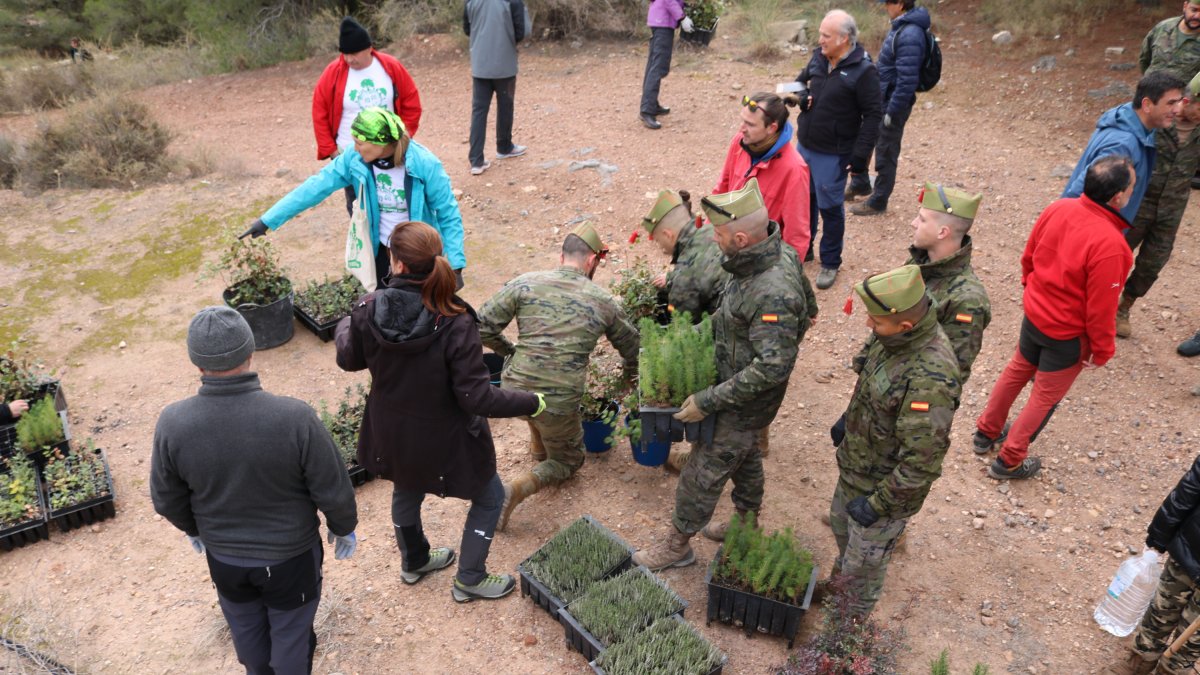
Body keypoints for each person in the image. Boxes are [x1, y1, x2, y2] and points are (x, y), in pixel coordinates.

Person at [334, 221, 543, 602]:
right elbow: (477, 399)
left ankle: (414, 561)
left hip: (393, 433)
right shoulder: (455, 320)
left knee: (406, 485)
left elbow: (349, 359)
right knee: (489, 497)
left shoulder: (368, 309)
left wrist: (345, 325)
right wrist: (532, 401)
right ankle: (470, 578)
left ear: (396, 264)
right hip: (448, 439)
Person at [151, 306, 358, 675]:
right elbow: (333, 488)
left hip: (225, 560)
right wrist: (342, 526)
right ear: (251, 353)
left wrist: (194, 528)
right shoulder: (294, 417)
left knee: (248, 637)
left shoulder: (173, 423)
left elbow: (166, 497)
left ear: (197, 364)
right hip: (290, 559)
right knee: (292, 640)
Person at [632, 179, 809, 570]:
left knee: (701, 471)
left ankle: (676, 545)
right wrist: (685, 341)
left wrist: (708, 399)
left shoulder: (771, 290)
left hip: (744, 398)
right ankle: (745, 521)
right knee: (744, 456)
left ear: (742, 238)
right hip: (741, 389)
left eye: (720, 233)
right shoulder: (766, 258)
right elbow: (737, 315)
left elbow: (773, 365)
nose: (712, 239)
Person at [974, 157, 1136, 480]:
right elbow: (1101, 310)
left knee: (1017, 369)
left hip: (1035, 316)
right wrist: (1102, 351)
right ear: (1117, 197)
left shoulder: (1058, 209)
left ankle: (986, 432)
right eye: (1132, 185)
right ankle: (1010, 460)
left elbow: (1029, 257)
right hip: (1067, 337)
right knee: (1044, 396)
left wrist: (1031, 291)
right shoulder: (1112, 245)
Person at [478, 223, 640, 531]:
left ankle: (539, 445)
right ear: (592, 260)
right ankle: (515, 489)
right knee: (569, 462)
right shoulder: (602, 300)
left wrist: (510, 351)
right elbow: (634, 349)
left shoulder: (525, 283)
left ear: (562, 255)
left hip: (511, 391)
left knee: (535, 405)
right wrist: (629, 382)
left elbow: (481, 326)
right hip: (557, 399)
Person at [832, 265, 959, 618]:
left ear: (906, 325)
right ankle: (839, 585)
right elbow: (871, 385)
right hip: (857, 469)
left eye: (877, 322)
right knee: (844, 536)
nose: (869, 327)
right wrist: (849, 419)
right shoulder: (893, 337)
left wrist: (878, 506)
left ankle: (844, 636)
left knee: (861, 574)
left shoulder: (930, 378)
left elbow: (920, 464)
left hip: (882, 494)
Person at [243, 108, 467, 290]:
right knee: (385, 303)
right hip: (381, 249)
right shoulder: (354, 159)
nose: (354, 147)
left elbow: (448, 214)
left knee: (424, 307)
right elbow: (315, 187)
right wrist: (268, 220)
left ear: (381, 143)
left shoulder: (424, 164)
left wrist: (455, 266)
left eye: (360, 142)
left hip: (417, 250)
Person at [793, 9, 882, 290]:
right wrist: (803, 95)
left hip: (834, 153)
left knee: (830, 208)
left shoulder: (863, 71)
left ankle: (830, 262)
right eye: (820, 34)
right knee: (804, 201)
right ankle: (804, 248)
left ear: (844, 38)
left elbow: (873, 116)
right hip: (805, 146)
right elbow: (799, 82)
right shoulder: (819, 58)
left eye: (826, 35)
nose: (820, 40)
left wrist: (859, 157)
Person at [312, 16, 423, 218]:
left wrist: (405, 135)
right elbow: (319, 112)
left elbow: (411, 101)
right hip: (352, 153)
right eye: (345, 54)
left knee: (395, 206)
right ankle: (366, 249)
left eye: (354, 53)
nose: (349, 59)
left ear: (369, 48)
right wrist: (331, 151)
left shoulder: (390, 67)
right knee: (360, 211)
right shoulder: (333, 73)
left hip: (390, 150)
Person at [1117, 72, 1200, 338]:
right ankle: (1091, 303)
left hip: (1172, 209)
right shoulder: (1158, 120)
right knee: (1115, 255)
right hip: (1138, 202)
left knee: (1152, 264)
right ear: (1188, 100)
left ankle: (1123, 307)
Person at [1107, 453, 1200, 675]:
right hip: (1189, 550)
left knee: (1193, 636)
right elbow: (1188, 490)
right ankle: (1139, 662)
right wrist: (1159, 535)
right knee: (1161, 609)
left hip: (1189, 547)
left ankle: (1171, 670)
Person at [1061, 71, 1186, 223]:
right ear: (1147, 104)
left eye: (1178, 102)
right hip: (1092, 236)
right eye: (1171, 103)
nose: (1177, 110)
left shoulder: (1135, 125)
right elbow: (1079, 193)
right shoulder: (1122, 144)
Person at [846, 0, 930, 217]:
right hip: (881, 98)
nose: (885, 7)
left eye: (889, 3)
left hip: (893, 103)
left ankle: (879, 200)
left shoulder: (910, 34)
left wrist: (893, 112)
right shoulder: (900, 27)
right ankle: (860, 183)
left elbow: (907, 80)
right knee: (864, 138)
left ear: (901, 4)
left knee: (886, 149)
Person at [714, 92, 812, 260]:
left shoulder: (794, 169)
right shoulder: (739, 142)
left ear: (771, 128)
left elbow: (797, 235)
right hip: (726, 246)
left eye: (750, 124)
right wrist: (707, 234)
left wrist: (785, 275)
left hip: (759, 261)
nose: (741, 129)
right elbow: (721, 189)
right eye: (742, 121)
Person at [636, 188, 727, 318]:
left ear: (668, 235)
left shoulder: (684, 278)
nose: (659, 246)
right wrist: (670, 279)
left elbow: (684, 326)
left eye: (657, 240)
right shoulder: (712, 230)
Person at [464, 0, 528, 176]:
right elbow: (521, 32)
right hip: (505, 64)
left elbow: (467, 29)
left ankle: (476, 161)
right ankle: (504, 147)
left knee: (479, 112)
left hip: (480, 66)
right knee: (505, 106)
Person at [639, 0, 692, 130]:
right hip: (662, 21)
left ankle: (651, 104)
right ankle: (647, 110)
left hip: (660, 20)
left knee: (653, 65)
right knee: (658, 67)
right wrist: (682, 17)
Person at [1140, 0, 1200, 82]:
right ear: (1185, 6)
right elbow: (1144, 59)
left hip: (1182, 94)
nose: (1197, 16)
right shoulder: (1163, 28)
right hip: (1149, 91)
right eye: (1194, 10)